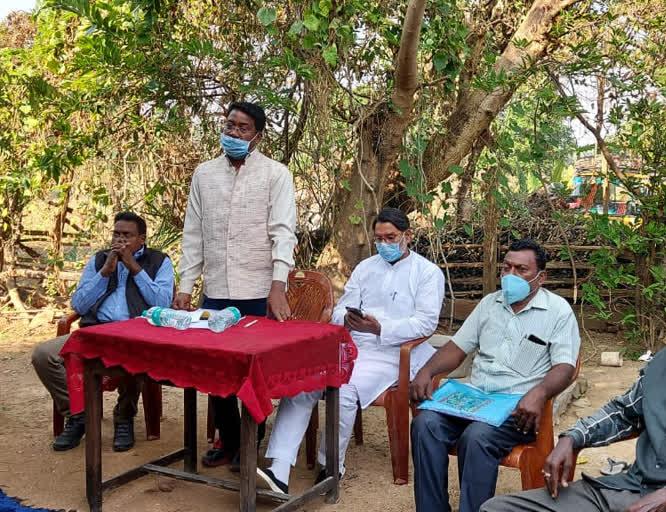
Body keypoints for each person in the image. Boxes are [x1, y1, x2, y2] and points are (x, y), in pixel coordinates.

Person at [481, 271, 666, 512]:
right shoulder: (662, 361)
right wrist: (572, 438)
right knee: (496, 509)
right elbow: (623, 413)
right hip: (627, 487)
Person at [257, 207, 445, 493]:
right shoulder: (366, 267)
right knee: (304, 380)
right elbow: (341, 307)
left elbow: (426, 322)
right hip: (356, 344)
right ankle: (279, 468)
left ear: (408, 236)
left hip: (394, 352)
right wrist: (346, 318)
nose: (384, 245)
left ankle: (331, 466)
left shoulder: (428, 273)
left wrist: (380, 328)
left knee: (342, 387)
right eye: (379, 239)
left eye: (391, 238)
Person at [410, 238, 581, 512]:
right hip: (474, 398)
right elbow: (457, 348)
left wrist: (538, 394)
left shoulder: (557, 311)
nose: (511, 276)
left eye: (521, 270)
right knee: (425, 425)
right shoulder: (490, 303)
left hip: (517, 408)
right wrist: (426, 370)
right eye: (506, 268)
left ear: (540, 277)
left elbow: (565, 367)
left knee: (477, 437)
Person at [172, 101, 297, 470]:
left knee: (253, 371)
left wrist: (278, 285)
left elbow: (283, 233)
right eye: (230, 126)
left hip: (258, 290)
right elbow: (193, 234)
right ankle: (228, 439)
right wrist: (185, 285)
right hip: (216, 290)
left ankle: (249, 440)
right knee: (216, 371)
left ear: (258, 135)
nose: (234, 134)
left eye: (243, 128)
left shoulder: (276, 174)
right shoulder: (205, 174)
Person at [32, 212, 174, 452]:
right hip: (94, 333)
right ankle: (79, 415)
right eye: (116, 234)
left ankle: (124, 417)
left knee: (132, 353)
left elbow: (162, 302)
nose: (120, 240)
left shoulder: (160, 261)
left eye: (127, 235)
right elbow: (78, 304)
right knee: (43, 355)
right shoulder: (99, 260)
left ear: (141, 239)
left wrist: (134, 267)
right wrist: (105, 273)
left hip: (134, 333)